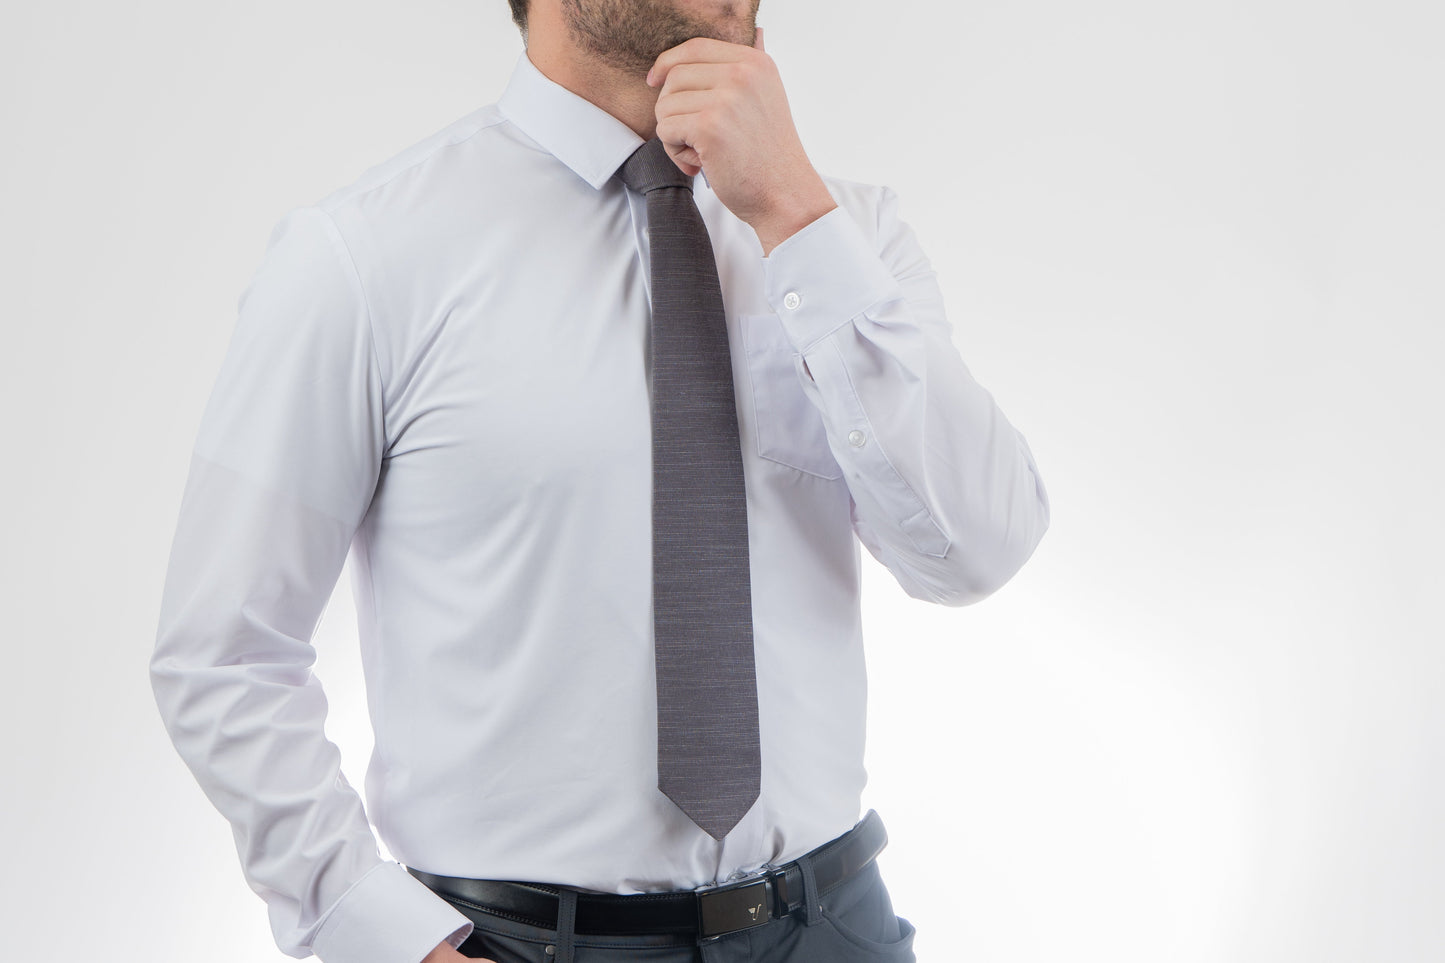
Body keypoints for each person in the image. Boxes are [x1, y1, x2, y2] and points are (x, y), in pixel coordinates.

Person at [148, 1, 1051, 961]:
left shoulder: (843, 233)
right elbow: (223, 648)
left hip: (833, 924)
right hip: (525, 944)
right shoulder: (365, 258)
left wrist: (793, 214)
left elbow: (977, 549)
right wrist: (377, 933)